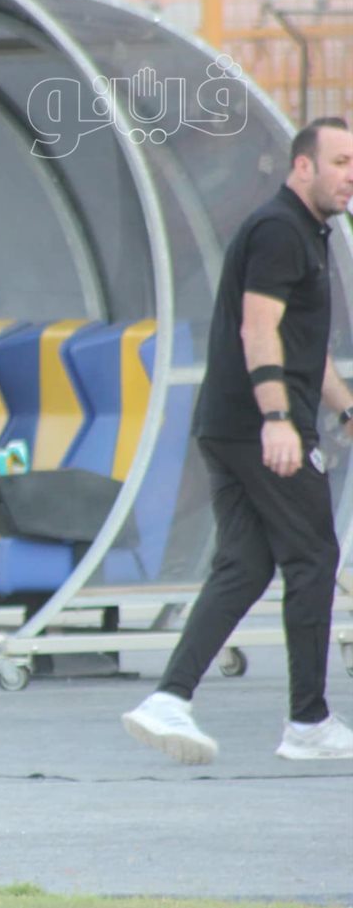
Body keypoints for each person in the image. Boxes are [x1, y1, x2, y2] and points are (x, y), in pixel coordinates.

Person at [123, 116, 353, 765]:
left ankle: (169, 697)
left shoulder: (307, 232)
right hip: (259, 427)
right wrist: (278, 418)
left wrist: (344, 406)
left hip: (231, 425)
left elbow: (302, 344)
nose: (350, 176)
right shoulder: (280, 229)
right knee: (313, 556)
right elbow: (259, 329)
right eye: (340, 162)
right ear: (303, 166)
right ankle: (308, 721)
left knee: (246, 564)